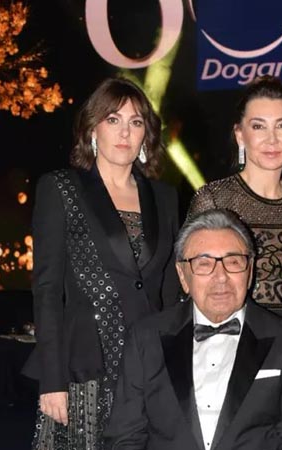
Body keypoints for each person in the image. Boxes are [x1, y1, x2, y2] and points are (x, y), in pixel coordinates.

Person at [22, 77, 180, 449]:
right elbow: (47, 290)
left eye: (135, 122)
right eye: (113, 119)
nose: (125, 132)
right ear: (93, 128)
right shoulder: (61, 188)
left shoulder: (165, 197)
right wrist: (52, 380)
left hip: (148, 365)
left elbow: (169, 291)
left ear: (146, 135)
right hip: (83, 367)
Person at [104, 209, 282, 450]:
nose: (221, 277)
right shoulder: (145, 338)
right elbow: (125, 437)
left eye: (233, 262)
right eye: (204, 264)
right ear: (183, 276)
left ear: (250, 270)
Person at [188, 76, 282, 328]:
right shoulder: (214, 199)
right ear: (240, 135)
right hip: (235, 332)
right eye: (259, 126)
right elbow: (191, 278)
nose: (272, 139)